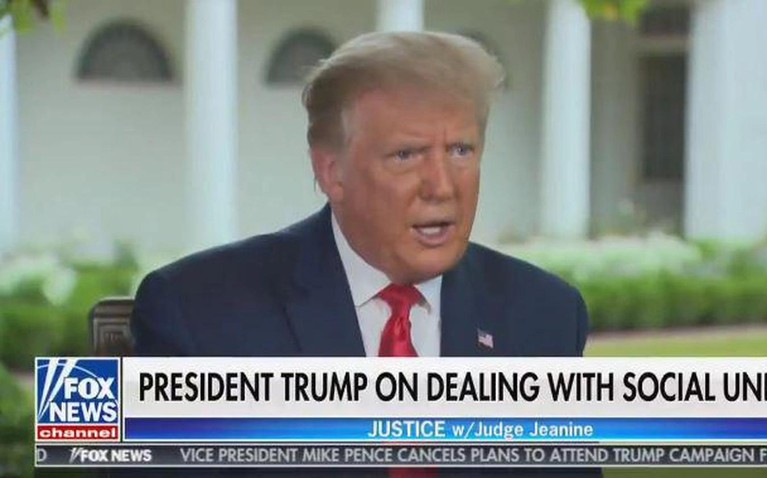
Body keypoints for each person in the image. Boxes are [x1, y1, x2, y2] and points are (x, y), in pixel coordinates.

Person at [131, 31, 596, 477]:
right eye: (407, 154)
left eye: (460, 150)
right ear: (332, 173)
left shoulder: (545, 316)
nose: (442, 186)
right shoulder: (201, 316)